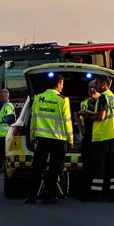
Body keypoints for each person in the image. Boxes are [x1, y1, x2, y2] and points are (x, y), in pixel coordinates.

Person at [26, 74, 70, 204]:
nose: (63, 87)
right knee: (54, 168)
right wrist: (71, 140)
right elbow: (67, 121)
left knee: (37, 167)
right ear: (58, 83)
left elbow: (33, 119)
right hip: (58, 139)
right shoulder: (63, 99)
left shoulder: (38, 98)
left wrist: (33, 136)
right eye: (62, 84)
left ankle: (31, 196)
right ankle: (48, 196)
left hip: (42, 139)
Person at [84, 75, 114, 200]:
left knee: (98, 166)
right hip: (112, 135)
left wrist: (87, 115)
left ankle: (96, 193)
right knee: (112, 165)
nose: (94, 87)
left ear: (103, 84)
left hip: (102, 136)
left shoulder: (103, 97)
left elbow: (101, 116)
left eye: (96, 83)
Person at [0, 89, 15, 173]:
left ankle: (5, 167)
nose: (0, 97)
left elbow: (9, 118)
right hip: (2, 133)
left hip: (5, 133)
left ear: (6, 96)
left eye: (1, 95)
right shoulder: (4, 105)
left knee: (5, 152)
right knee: (3, 152)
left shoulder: (7, 106)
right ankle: (3, 166)